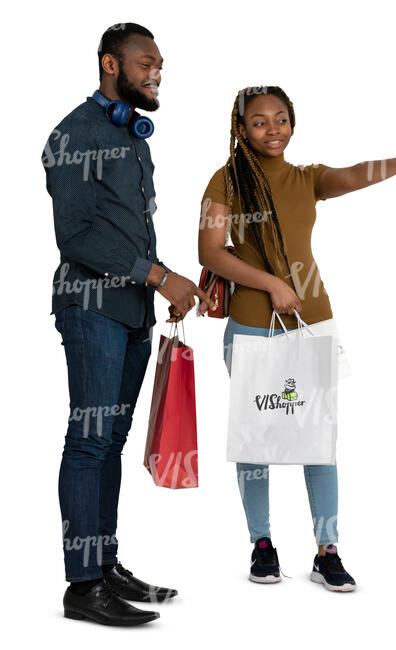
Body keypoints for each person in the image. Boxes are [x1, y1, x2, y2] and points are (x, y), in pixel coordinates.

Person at [198, 85, 396, 591]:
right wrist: (271, 284)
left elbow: (352, 175)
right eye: (260, 121)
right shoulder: (224, 181)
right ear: (241, 128)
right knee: (256, 437)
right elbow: (209, 252)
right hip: (250, 323)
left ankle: (327, 550)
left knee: (319, 440)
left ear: (293, 123)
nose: (273, 129)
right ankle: (261, 545)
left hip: (313, 319)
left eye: (281, 119)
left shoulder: (305, 178)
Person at [41, 23, 215, 626]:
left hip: (131, 310)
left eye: (160, 64)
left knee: (109, 441)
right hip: (90, 309)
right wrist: (160, 275)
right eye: (146, 63)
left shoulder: (133, 138)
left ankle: (104, 564)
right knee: (88, 441)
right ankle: (82, 587)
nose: (156, 73)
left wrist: (155, 287)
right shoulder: (73, 134)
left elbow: (123, 229)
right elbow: (78, 236)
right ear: (111, 64)